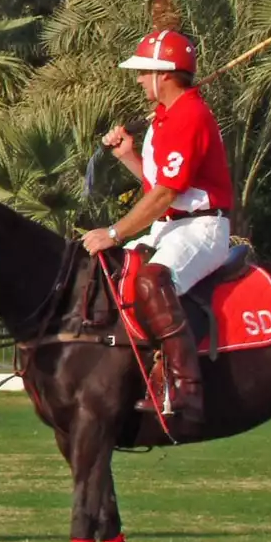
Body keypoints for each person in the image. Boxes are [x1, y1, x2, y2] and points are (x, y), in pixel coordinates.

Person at [79, 29, 234, 430]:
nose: (138, 79)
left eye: (143, 72)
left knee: (151, 281)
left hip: (202, 228)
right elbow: (157, 188)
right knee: (116, 273)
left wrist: (114, 232)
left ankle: (184, 387)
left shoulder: (190, 116)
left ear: (164, 74)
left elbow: (166, 196)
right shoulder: (165, 119)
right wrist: (128, 156)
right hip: (171, 226)